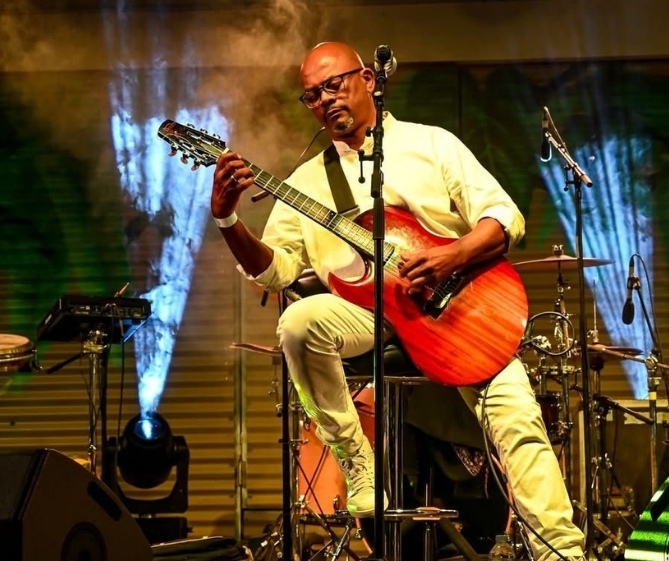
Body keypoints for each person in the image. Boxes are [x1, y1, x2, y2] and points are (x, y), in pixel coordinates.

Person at [210, 41, 587, 561]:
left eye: (334, 84)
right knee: (297, 322)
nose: (324, 100)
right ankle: (357, 464)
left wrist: (449, 257)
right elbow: (274, 272)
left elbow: (504, 219)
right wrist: (228, 220)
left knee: (519, 421)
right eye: (312, 96)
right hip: (365, 316)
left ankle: (562, 553)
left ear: (367, 78)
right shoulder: (305, 183)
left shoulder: (432, 145)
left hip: (458, 311)